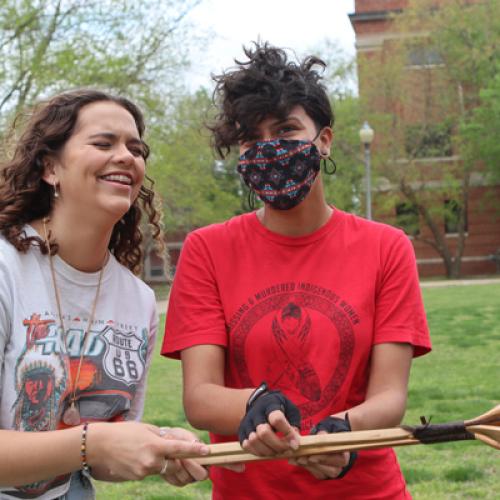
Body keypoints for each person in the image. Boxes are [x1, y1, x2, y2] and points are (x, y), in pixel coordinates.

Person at [161, 43, 432, 499]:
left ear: (323, 139)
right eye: (252, 138)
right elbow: (200, 396)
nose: (270, 148)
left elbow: (390, 396)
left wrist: (343, 432)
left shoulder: (387, 247)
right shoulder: (207, 249)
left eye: (287, 129)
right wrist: (254, 404)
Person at [0, 89, 211, 499]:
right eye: (103, 143)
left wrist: (156, 444)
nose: (127, 157)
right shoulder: (6, 269)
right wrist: (92, 442)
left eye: (136, 148)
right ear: (50, 168)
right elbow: (91, 447)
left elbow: (100, 461)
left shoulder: (137, 300)